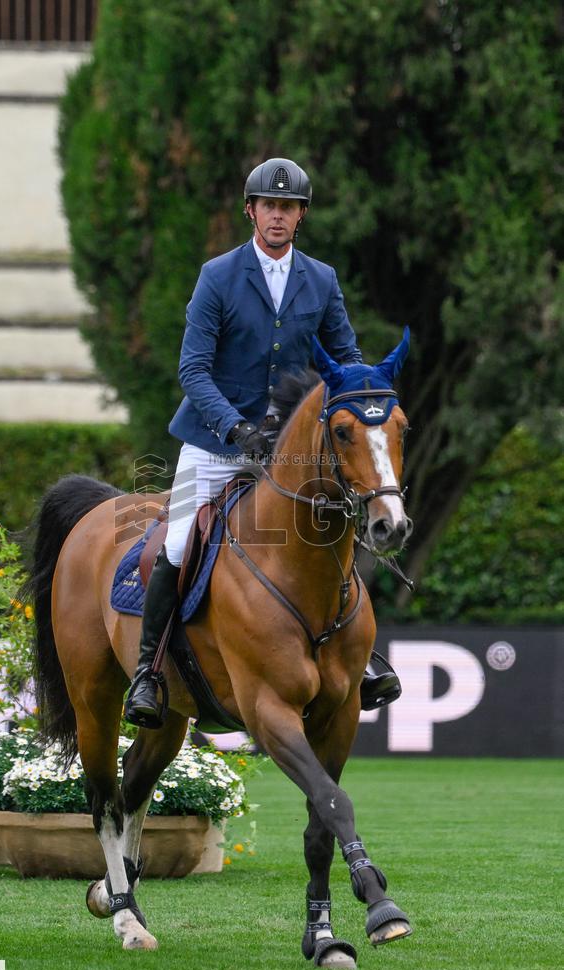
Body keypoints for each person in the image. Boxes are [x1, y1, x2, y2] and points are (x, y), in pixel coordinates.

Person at [124, 157, 400, 728]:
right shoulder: (218, 275)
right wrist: (234, 427)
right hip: (213, 443)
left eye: (288, 208)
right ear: (251, 211)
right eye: (269, 206)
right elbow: (193, 369)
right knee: (176, 542)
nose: (278, 216)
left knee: (332, 532)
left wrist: (363, 397)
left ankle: (360, 658)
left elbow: (345, 358)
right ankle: (149, 671)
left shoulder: (320, 280)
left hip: (289, 450)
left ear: (301, 216)